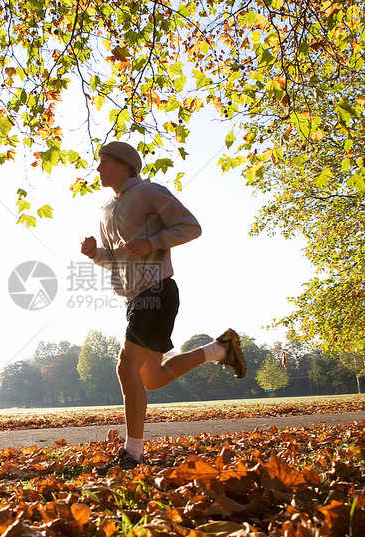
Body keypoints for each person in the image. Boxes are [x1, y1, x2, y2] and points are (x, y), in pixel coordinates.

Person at [80, 141, 246, 475]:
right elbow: (116, 259)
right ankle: (220, 349)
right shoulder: (105, 211)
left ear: (125, 165)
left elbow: (190, 226)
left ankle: (133, 454)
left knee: (126, 369)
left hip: (157, 290)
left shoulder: (149, 192)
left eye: (104, 162)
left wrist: (153, 242)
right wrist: (95, 254)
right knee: (152, 378)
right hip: (132, 298)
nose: (97, 169)